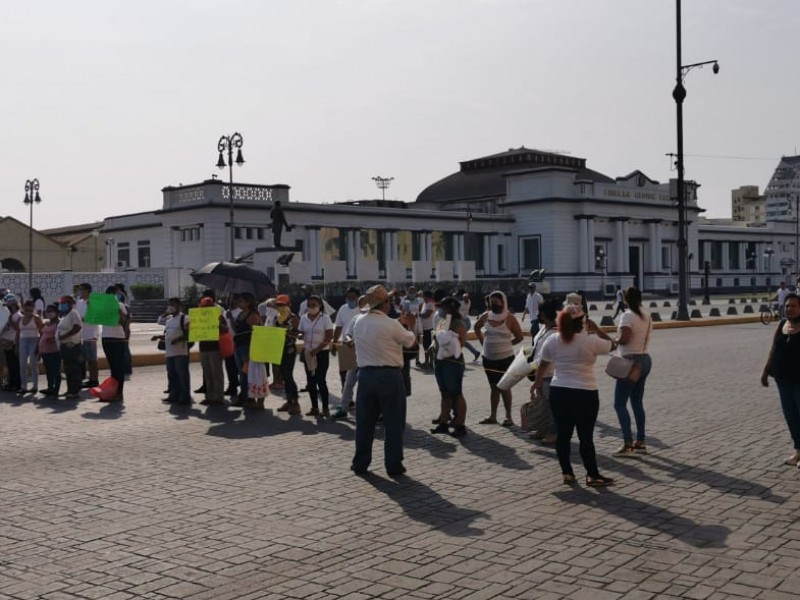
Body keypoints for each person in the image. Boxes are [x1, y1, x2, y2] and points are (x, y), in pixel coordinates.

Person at [532, 304, 617, 486]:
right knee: (585, 436)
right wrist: (597, 329)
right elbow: (613, 345)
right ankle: (592, 475)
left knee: (563, 435)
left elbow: (543, 364)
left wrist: (537, 383)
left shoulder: (553, 339)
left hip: (559, 391)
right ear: (582, 322)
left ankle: (567, 473)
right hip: (585, 392)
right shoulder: (590, 340)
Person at [351, 285, 417, 476]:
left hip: (365, 375)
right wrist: (410, 324)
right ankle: (393, 464)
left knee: (364, 423)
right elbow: (410, 342)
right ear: (385, 303)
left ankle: (360, 463)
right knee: (394, 423)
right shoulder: (391, 324)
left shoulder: (358, 322)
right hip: (389, 376)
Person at [612, 286, 653, 456]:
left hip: (630, 362)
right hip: (644, 359)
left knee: (619, 403)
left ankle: (627, 442)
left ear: (626, 299)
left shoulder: (627, 315)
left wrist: (614, 339)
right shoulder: (646, 314)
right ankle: (641, 441)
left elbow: (625, 339)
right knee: (637, 402)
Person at [474, 290, 524, 426]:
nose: (494, 303)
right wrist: (482, 342)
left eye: (496, 300)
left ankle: (508, 417)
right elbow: (476, 327)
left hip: (505, 359)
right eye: (491, 301)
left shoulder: (510, 318)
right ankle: (493, 416)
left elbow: (520, 337)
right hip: (488, 359)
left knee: (505, 387)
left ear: (503, 302)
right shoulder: (486, 316)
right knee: (493, 388)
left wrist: (507, 344)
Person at [761, 293, 800, 466]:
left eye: (793, 306)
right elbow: (774, 348)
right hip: (782, 380)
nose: (790, 309)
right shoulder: (782, 325)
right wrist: (766, 371)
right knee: (791, 416)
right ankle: (798, 451)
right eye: (787, 306)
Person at [430, 297, 469, 437]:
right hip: (441, 362)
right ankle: (444, 422)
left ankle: (460, 424)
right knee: (445, 393)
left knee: (456, 393)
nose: (440, 309)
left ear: (450, 308)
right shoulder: (444, 322)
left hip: (453, 363)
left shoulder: (458, 323)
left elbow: (461, 343)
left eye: (443, 307)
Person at [528, 298, 561, 445]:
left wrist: (529, 368)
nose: (537, 315)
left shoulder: (554, 332)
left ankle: (554, 433)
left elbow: (544, 359)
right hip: (540, 372)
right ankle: (543, 429)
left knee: (552, 406)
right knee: (543, 404)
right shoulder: (544, 328)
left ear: (544, 314)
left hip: (549, 373)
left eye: (539, 312)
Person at [332, 294, 368, 420]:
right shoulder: (356, 318)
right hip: (356, 356)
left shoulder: (377, 319)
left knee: (370, 386)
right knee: (349, 383)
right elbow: (347, 334)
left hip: (372, 359)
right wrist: (348, 340)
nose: (365, 306)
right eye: (362, 303)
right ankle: (343, 408)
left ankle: (377, 413)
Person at [297, 295, 334, 417]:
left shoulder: (325, 319)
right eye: (309, 305)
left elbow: (329, 336)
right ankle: (314, 407)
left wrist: (317, 349)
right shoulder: (303, 318)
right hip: (308, 352)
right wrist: (300, 335)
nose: (311, 307)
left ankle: (325, 407)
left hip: (321, 353)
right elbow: (301, 332)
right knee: (311, 381)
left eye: (314, 305)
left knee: (320, 379)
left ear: (319, 305)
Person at [158, 298, 192, 406]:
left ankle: (185, 397)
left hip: (180, 352)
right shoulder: (169, 320)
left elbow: (188, 335)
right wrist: (159, 337)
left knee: (182, 375)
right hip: (170, 352)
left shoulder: (184, 318)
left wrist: (177, 340)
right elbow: (159, 321)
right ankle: (173, 396)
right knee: (171, 375)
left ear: (179, 305)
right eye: (169, 305)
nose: (170, 307)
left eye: (173, 305)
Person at [230, 293, 261, 407]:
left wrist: (251, 352)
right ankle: (243, 396)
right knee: (242, 373)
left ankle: (250, 397)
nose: (239, 303)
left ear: (249, 302)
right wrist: (231, 320)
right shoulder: (241, 314)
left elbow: (255, 333)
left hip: (247, 347)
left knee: (248, 372)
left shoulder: (252, 315)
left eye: (242, 301)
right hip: (239, 345)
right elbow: (236, 329)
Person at [100, 286, 129, 402]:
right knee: (112, 368)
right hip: (106, 338)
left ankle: (119, 393)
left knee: (118, 368)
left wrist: (120, 314)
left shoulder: (120, 306)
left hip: (118, 338)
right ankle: (112, 392)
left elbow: (122, 322)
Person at [274, 294, 302, 416]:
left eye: (282, 305)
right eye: (278, 305)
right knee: (283, 376)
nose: (280, 307)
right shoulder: (277, 318)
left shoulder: (293, 318)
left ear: (288, 305)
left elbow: (297, 333)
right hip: (279, 350)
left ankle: (295, 402)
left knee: (288, 376)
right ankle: (288, 400)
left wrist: (288, 333)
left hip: (289, 350)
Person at [332, 287, 361, 389]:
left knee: (360, 373)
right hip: (346, 345)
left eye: (353, 297)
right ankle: (346, 397)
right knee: (344, 372)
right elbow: (338, 326)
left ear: (358, 298)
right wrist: (334, 343)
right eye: (348, 297)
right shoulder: (343, 309)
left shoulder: (364, 309)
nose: (350, 300)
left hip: (361, 346)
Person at [57, 295, 84, 399]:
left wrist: (64, 336)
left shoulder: (74, 313)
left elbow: (77, 327)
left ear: (69, 304)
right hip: (65, 346)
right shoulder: (65, 315)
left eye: (64, 303)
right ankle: (69, 389)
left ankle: (75, 390)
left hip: (72, 345)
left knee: (73, 368)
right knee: (68, 369)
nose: (62, 305)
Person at [76, 283, 100, 388]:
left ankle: (94, 379)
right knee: (82, 359)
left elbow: (96, 317)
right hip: (81, 335)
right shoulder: (79, 302)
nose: (80, 291)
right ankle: (85, 378)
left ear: (87, 290)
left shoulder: (93, 302)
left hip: (91, 334)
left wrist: (84, 319)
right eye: (79, 289)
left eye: (82, 289)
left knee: (92, 360)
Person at [16, 300, 43, 394]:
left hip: (34, 340)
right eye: (26, 306)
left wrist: (39, 346)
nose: (28, 308)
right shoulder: (20, 318)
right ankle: (24, 386)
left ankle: (35, 386)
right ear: (23, 308)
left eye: (31, 306)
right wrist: (16, 345)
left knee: (33, 363)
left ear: (33, 307)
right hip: (23, 341)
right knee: (22, 364)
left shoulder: (36, 318)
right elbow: (18, 332)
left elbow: (42, 332)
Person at [39, 304, 61, 397]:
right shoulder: (47, 323)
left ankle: (56, 389)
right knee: (48, 370)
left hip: (54, 350)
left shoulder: (59, 323)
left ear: (56, 312)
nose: (49, 313)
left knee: (55, 370)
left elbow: (60, 335)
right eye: (47, 311)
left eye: (51, 311)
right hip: (45, 350)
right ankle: (50, 387)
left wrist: (52, 339)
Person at [1, 295, 22, 392]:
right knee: (10, 364)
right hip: (6, 343)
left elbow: (18, 329)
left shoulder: (18, 315)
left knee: (14, 365)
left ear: (14, 306)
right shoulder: (7, 315)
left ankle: (16, 384)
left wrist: (15, 342)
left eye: (9, 306)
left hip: (13, 343)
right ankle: (11, 383)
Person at [458, 292, 481, 362]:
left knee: (460, 340)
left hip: (463, 322)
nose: (464, 299)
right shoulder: (469, 302)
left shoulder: (461, 304)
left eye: (465, 298)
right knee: (461, 340)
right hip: (466, 321)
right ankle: (475, 352)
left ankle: (458, 356)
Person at [418, 290, 436, 369]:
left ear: (427, 296)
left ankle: (429, 363)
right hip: (425, 328)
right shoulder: (425, 304)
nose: (422, 297)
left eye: (423, 296)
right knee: (426, 346)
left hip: (430, 328)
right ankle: (427, 362)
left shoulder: (430, 304)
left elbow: (427, 315)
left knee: (428, 346)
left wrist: (418, 315)